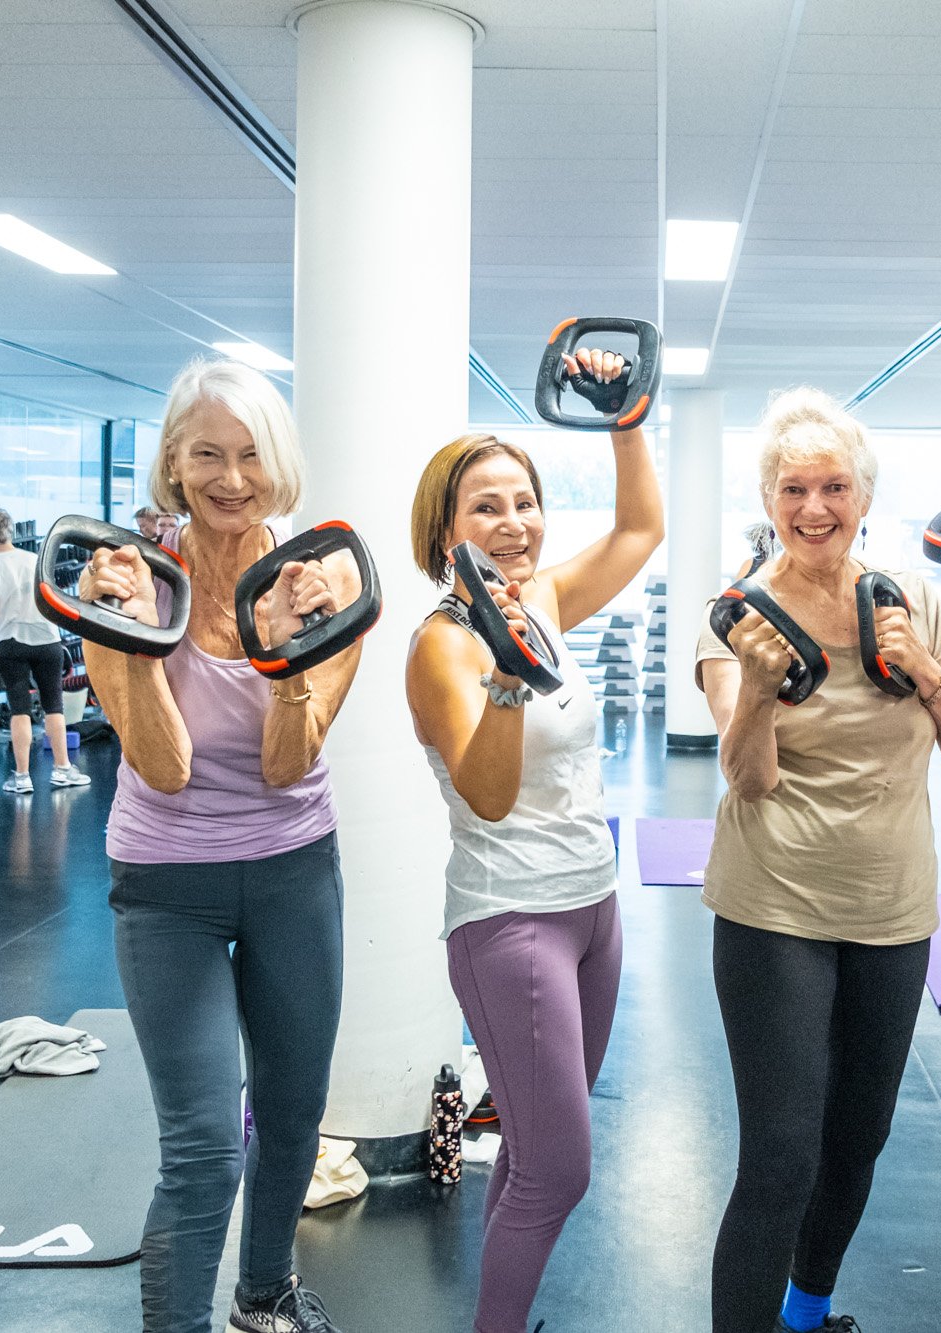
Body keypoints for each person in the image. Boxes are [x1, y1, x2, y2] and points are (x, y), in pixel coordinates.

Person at [694, 388, 941, 1333]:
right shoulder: (738, 617)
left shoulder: (916, 606)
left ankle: (807, 1311)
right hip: (772, 900)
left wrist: (929, 673)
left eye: (834, 487)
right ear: (768, 497)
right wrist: (757, 692)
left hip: (893, 907)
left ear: (864, 496)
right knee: (781, 1151)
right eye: (794, 488)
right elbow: (747, 780)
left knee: (857, 1138)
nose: (814, 507)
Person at [77, 358, 359, 1333]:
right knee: (202, 1142)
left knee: (289, 1115)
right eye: (206, 454)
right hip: (165, 885)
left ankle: (264, 1294)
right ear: (172, 461)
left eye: (248, 455)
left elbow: (289, 764)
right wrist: (131, 633)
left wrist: (286, 659)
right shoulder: (126, 582)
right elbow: (161, 764)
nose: (229, 477)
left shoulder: (323, 580)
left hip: (292, 872)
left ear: (276, 462)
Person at [405, 348, 663, 1333]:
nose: (512, 524)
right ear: (445, 532)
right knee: (560, 1166)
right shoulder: (442, 643)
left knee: (529, 1148)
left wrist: (623, 414)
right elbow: (488, 792)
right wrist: (509, 676)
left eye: (524, 502)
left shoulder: (543, 601)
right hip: (508, 923)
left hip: (592, 910)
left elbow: (640, 527)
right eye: (486, 508)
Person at [0, 507, 88, 793]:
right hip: (48, 640)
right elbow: (54, 601)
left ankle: (22, 777)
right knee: (54, 706)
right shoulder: (37, 561)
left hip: (11, 643)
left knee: (19, 709)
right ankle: (62, 769)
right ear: (9, 532)